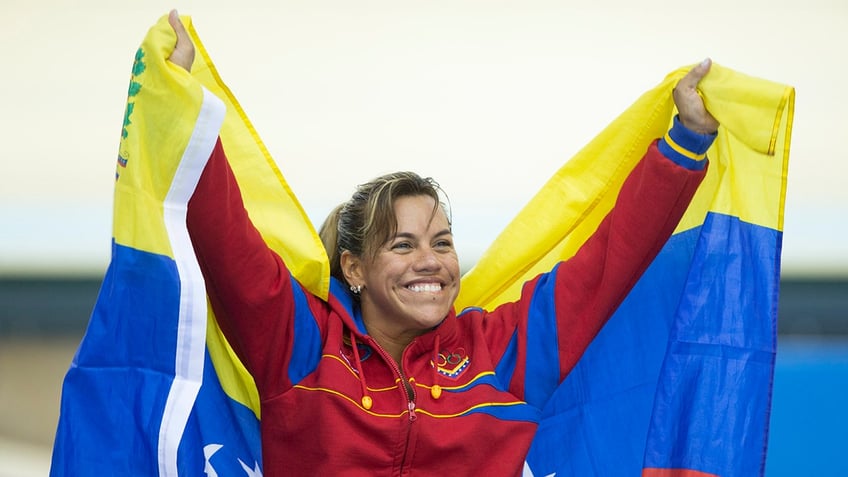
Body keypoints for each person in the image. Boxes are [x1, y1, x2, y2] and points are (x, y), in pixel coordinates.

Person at [168, 10, 718, 477]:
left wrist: (685, 145)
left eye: (442, 242)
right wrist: (183, 113)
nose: (430, 261)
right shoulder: (301, 344)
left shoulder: (503, 353)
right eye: (403, 246)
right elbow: (226, 240)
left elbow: (608, 263)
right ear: (353, 268)